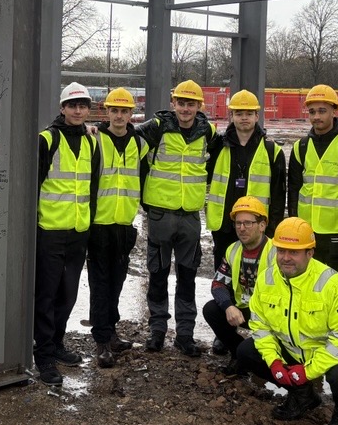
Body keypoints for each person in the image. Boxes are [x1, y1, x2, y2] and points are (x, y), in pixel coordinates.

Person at [236, 217, 338, 425]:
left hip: (333, 353)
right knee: (246, 352)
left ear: (310, 253)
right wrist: (274, 361)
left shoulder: (334, 285)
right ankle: (303, 395)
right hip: (292, 349)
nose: (286, 258)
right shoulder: (267, 278)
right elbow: (259, 325)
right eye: (281, 250)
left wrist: (308, 371)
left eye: (294, 252)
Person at [135, 79, 216, 357]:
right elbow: (125, 139)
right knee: (157, 275)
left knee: (188, 277)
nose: (185, 108)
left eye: (191, 104)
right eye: (181, 103)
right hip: (160, 214)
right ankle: (157, 331)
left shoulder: (208, 132)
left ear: (198, 106)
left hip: (191, 217)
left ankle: (184, 334)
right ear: (173, 104)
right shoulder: (156, 128)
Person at [205, 89, 284, 353]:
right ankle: (225, 333)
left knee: (261, 280)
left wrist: (270, 229)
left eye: (248, 113)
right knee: (224, 278)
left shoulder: (271, 151)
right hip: (224, 224)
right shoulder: (219, 146)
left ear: (256, 115)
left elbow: (278, 193)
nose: (244, 118)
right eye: (239, 113)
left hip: (255, 229)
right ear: (232, 115)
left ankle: (259, 333)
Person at [35, 82, 100, 386]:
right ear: (62, 108)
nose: (78, 111)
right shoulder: (46, 140)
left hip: (78, 231)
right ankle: (44, 355)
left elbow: (93, 186)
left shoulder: (91, 142)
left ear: (88, 110)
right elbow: (34, 186)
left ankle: (57, 343)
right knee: (46, 295)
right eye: (72, 106)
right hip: (50, 231)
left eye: (83, 106)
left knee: (68, 294)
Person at [287, 84, 338, 293]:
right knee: (309, 292)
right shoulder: (301, 148)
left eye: (322, 111)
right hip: (308, 238)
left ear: (335, 111)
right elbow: (294, 192)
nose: (316, 117)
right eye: (312, 111)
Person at [87, 87, 148, 369]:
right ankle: (101, 340)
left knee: (117, 281)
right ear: (106, 112)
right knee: (100, 284)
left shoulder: (139, 144)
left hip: (124, 224)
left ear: (131, 114)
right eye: (115, 110)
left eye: (125, 111)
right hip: (99, 224)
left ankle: (111, 332)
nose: (120, 116)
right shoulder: (96, 140)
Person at [201, 196, 274, 375]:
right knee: (211, 309)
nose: (241, 228)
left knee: (255, 353)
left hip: (271, 316)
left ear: (262, 225)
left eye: (248, 223)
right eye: (238, 223)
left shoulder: (277, 253)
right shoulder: (233, 249)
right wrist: (228, 306)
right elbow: (218, 283)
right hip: (245, 310)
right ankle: (238, 354)